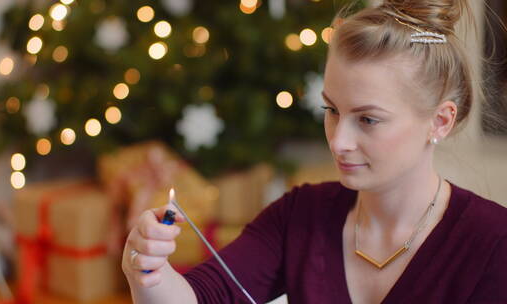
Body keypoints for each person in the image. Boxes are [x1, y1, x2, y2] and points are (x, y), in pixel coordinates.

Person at [121, 0, 507, 302]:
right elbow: (200, 298)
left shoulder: (494, 243)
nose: (339, 141)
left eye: (368, 120)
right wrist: (149, 272)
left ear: (440, 121)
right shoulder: (299, 217)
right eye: (332, 110)